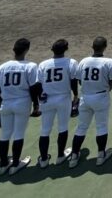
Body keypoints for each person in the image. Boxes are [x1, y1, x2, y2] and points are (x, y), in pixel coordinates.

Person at [69, 36, 112, 168]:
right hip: (101, 97)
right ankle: (101, 155)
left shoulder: (84, 61)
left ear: (92, 47)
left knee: (81, 127)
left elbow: (79, 80)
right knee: (101, 126)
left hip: (85, 97)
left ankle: (74, 156)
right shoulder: (109, 62)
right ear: (105, 47)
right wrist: (106, 90)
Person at [0, 38, 39, 175]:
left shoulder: (2, 66)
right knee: (18, 133)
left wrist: (0, 102)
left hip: (6, 103)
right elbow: (34, 87)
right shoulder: (30, 66)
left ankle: (3, 165)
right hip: (22, 103)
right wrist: (36, 104)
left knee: (5, 134)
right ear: (27, 50)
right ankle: (16, 164)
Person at [37, 39, 79, 168]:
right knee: (63, 127)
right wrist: (76, 95)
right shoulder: (71, 62)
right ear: (66, 49)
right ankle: (60, 155)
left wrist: (39, 100)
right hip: (63, 98)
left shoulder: (43, 64)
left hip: (46, 99)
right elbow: (73, 81)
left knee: (45, 130)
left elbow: (38, 84)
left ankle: (43, 159)